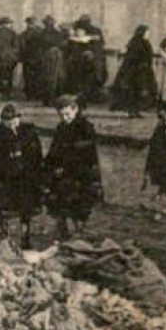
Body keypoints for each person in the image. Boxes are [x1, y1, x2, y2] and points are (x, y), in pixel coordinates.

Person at [43, 95, 104, 240]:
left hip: (81, 172)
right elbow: (54, 149)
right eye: (61, 115)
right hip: (63, 171)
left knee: (78, 201)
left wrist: (66, 164)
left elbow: (85, 153)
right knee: (57, 198)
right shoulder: (61, 128)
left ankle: (79, 228)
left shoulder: (85, 128)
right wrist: (49, 165)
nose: (65, 118)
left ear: (75, 109)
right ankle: (62, 227)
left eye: (67, 114)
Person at [0, 103, 46, 247]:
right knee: (5, 207)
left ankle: (25, 235)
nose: (11, 125)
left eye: (14, 121)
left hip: (25, 177)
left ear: (19, 118)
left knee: (26, 209)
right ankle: (3, 236)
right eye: (7, 122)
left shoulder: (29, 133)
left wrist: (35, 174)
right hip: (8, 178)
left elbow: (36, 155)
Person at [110, 25, 159, 117]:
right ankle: (131, 111)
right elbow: (132, 58)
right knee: (133, 91)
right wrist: (139, 66)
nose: (148, 34)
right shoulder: (136, 43)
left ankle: (136, 111)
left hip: (143, 71)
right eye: (147, 32)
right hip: (135, 72)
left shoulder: (145, 43)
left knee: (140, 92)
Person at [0, 17, 21, 102]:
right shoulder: (13, 33)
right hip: (9, 59)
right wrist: (14, 56)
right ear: (7, 24)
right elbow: (16, 47)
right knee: (8, 76)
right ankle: (6, 95)